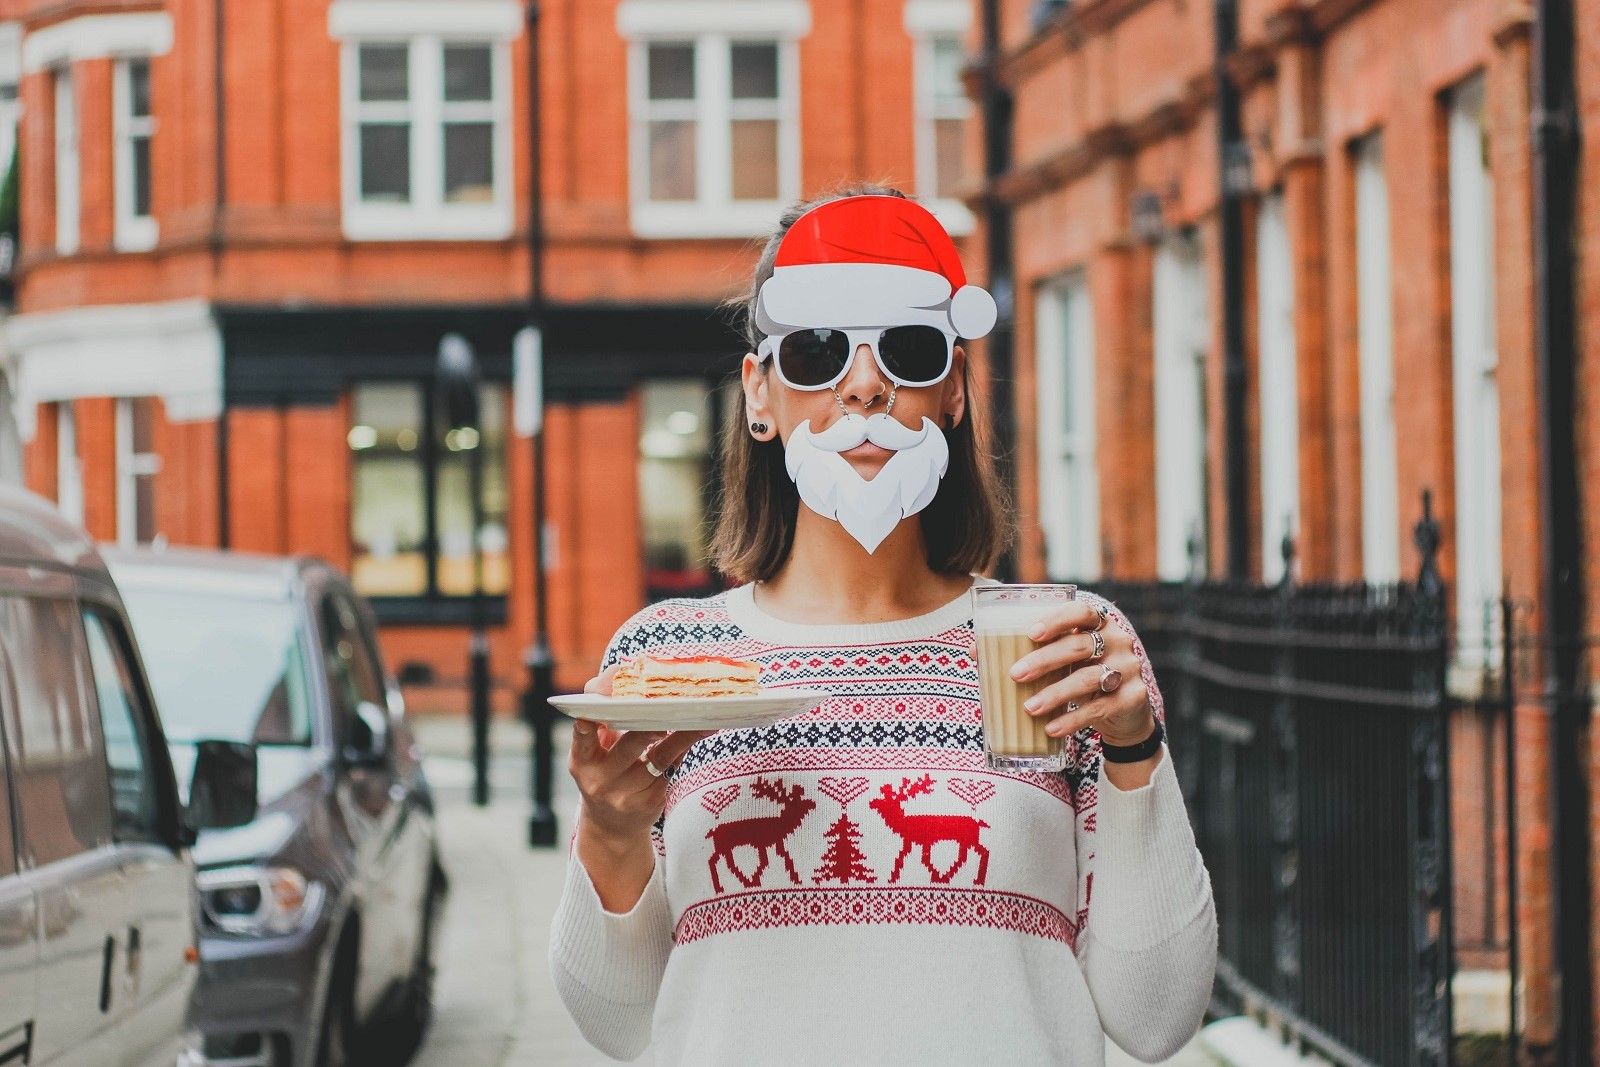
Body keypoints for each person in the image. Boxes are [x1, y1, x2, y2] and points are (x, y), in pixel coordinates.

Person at [550, 184, 1217, 1066]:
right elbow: (619, 1021)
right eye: (819, 354)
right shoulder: (672, 660)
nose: (864, 385)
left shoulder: (1058, 649)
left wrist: (1135, 749)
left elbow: (1157, 1014)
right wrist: (607, 826)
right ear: (760, 394)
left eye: (907, 349)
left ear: (952, 393)